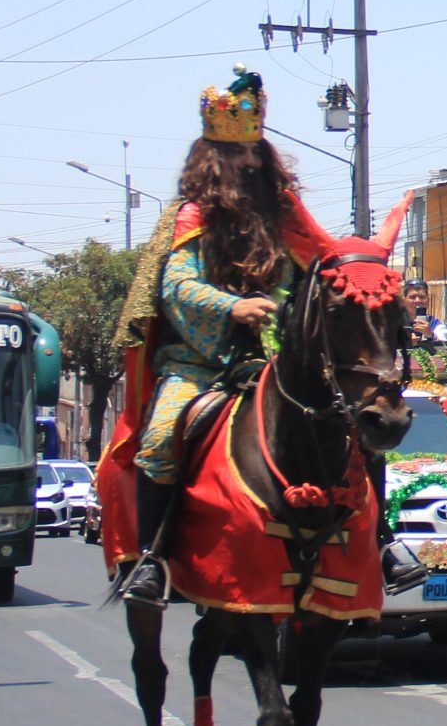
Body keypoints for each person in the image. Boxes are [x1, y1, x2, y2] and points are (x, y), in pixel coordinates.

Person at [104, 67, 363, 604]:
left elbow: (300, 280)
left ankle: (383, 546)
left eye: (255, 154)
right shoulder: (191, 216)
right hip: (199, 364)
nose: (248, 163)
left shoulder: (283, 217)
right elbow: (177, 287)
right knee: (158, 440)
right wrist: (234, 306)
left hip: (275, 363)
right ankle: (151, 561)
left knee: (354, 427)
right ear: (212, 162)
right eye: (237, 156)